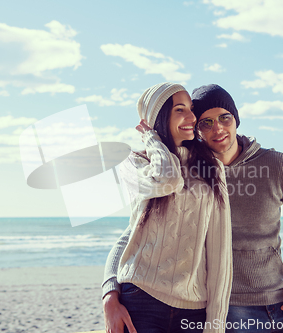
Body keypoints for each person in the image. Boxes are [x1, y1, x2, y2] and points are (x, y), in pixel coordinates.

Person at [103, 84, 283, 333]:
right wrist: (110, 290)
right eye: (206, 123)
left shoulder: (277, 166)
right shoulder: (191, 172)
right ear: (196, 130)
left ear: (236, 120)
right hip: (229, 308)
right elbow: (134, 235)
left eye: (224, 118)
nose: (217, 128)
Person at [102, 82, 233, 333]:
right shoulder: (137, 162)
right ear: (159, 118)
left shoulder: (212, 166)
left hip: (194, 308)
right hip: (141, 300)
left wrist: (215, 325)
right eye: (179, 110)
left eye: (191, 109)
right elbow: (168, 180)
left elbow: (220, 250)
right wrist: (152, 138)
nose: (191, 118)